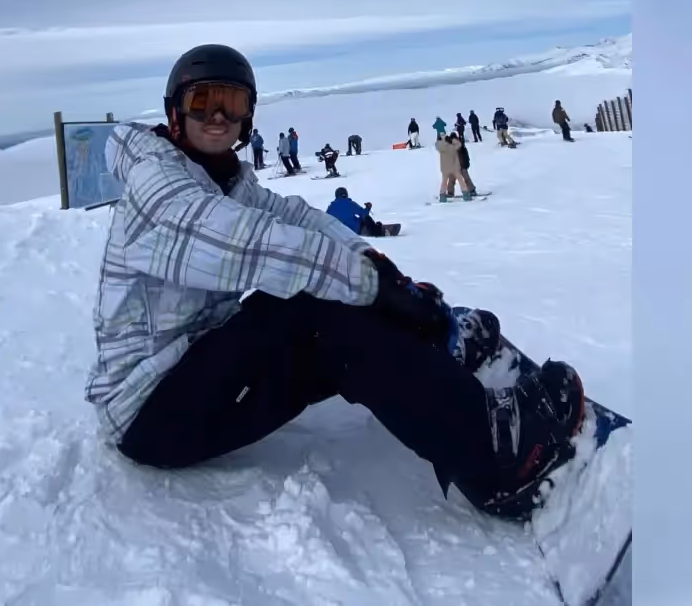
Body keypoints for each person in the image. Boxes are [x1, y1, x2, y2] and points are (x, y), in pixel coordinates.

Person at [88, 43, 588, 524]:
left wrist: (386, 275)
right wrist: (374, 287)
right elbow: (249, 245)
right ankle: (496, 457)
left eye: (232, 103)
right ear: (175, 111)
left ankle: (440, 351)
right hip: (150, 410)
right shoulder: (157, 185)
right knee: (317, 307)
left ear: (248, 115)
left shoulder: (225, 180)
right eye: (203, 102)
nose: (218, 116)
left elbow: (298, 219)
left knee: (333, 291)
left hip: (196, 368)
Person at [435, 133, 472, 201]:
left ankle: (442, 196)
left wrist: (442, 140)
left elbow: (437, 144)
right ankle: (466, 194)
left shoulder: (440, 147)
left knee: (444, 182)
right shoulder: (452, 147)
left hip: (444, 168)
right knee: (461, 180)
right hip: (454, 167)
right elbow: (459, 144)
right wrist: (452, 140)